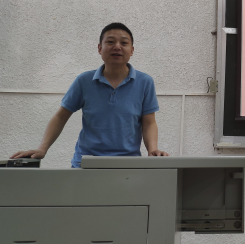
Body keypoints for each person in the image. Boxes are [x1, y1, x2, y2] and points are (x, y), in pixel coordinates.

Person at [11, 23, 169, 167]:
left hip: (128, 164)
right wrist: (42, 149)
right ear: (100, 48)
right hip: (86, 164)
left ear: (132, 50)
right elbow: (61, 116)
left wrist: (152, 150)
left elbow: (149, 123)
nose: (117, 47)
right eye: (110, 42)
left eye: (124, 43)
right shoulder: (84, 81)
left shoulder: (145, 82)